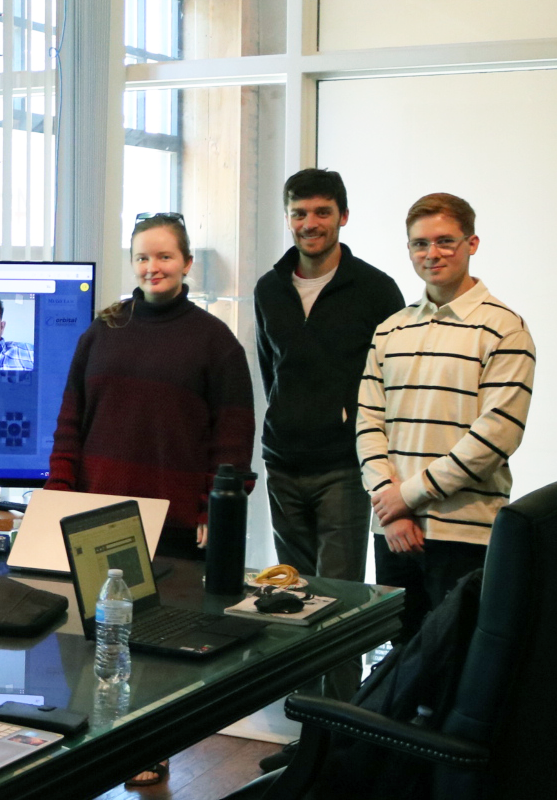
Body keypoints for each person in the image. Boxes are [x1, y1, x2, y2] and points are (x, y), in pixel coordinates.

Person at [45, 212, 255, 788]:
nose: (151, 267)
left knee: (158, 650)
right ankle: (84, 753)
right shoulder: (103, 332)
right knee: (86, 644)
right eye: (142, 256)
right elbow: (71, 424)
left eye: (163, 256)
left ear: (187, 263)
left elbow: (233, 437)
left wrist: (218, 508)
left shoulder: (215, 342)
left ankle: (150, 750)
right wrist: (56, 496)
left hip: (173, 523)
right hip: (94, 520)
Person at [357, 192, 535, 644]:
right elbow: (368, 422)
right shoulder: (389, 329)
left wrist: (407, 497)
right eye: (419, 244)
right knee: (399, 669)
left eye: (444, 242)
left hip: (464, 534)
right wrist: (389, 505)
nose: (431, 254)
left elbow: (496, 436)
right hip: (394, 530)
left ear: (471, 244)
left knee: (454, 673)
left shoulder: (505, 329)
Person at [253, 169, 402, 703]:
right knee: (290, 596)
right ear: (288, 217)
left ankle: (338, 726)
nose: (309, 223)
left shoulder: (377, 288)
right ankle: (303, 717)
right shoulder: (269, 288)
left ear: (342, 214)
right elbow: (272, 370)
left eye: (321, 212)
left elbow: (392, 381)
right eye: (299, 213)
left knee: (336, 598)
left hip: (343, 465)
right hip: (283, 461)